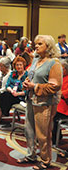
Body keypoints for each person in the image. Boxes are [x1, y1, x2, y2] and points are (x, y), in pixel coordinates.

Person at [18, 35, 62, 170]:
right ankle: (31, 155)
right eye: (36, 44)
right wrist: (26, 83)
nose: (36, 46)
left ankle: (45, 160)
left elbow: (55, 86)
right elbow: (31, 77)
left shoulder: (54, 63)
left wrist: (34, 87)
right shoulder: (36, 60)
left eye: (40, 44)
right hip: (31, 99)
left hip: (44, 103)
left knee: (43, 134)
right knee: (29, 131)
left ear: (48, 46)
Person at [0, 56, 28, 131]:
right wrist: (11, 90)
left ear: (23, 65)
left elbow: (27, 91)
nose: (19, 67)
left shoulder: (27, 75)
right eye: (17, 65)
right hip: (11, 94)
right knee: (3, 96)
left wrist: (17, 94)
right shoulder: (13, 73)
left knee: (3, 97)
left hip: (21, 97)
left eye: (20, 65)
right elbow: (7, 85)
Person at [52, 58, 68, 145]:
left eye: (62, 69)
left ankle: (54, 137)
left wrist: (60, 93)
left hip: (65, 105)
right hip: (57, 101)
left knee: (53, 113)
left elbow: (64, 93)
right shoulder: (59, 78)